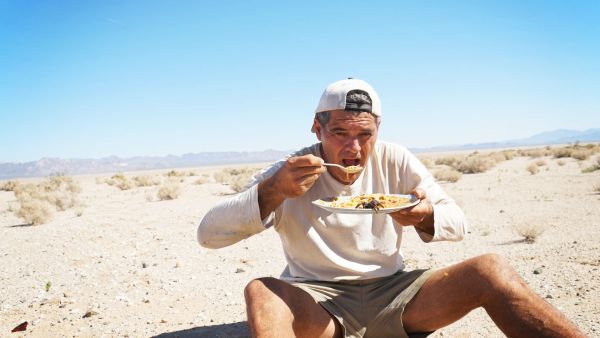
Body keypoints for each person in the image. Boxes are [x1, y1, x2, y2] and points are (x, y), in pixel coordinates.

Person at [198, 79, 586, 338]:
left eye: (365, 134)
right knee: (262, 292)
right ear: (317, 130)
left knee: (491, 271)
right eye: (340, 134)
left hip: (397, 297)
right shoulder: (290, 171)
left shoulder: (395, 159)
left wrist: (425, 215)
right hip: (319, 306)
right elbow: (208, 235)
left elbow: (458, 222)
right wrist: (271, 192)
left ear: (378, 130)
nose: (353, 149)